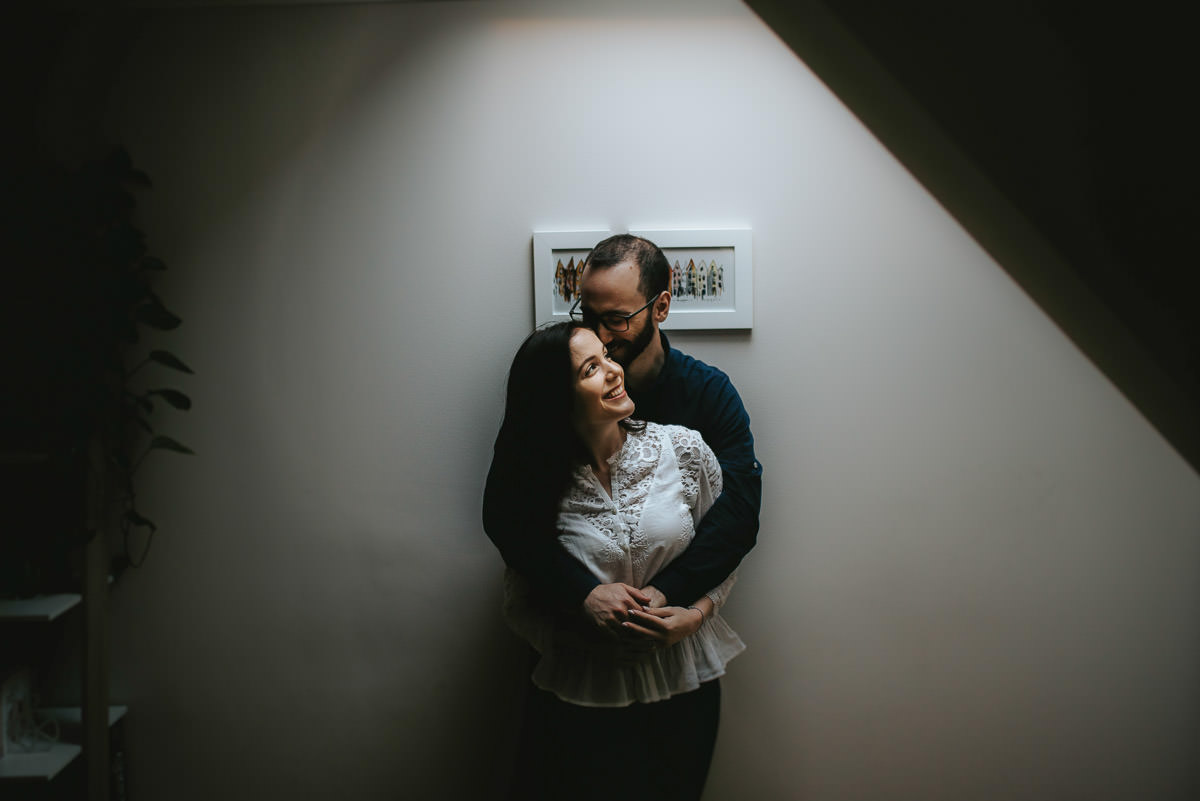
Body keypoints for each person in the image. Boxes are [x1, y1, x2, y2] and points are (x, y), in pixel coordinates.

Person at [494, 320, 745, 800]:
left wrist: (696, 614)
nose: (614, 371)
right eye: (592, 367)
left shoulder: (684, 449)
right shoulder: (539, 484)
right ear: (557, 397)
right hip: (581, 694)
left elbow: (724, 550)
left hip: (683, 687)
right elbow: (521, 598)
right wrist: (582, 627)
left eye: (608, 355)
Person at [483, 233, 762, 627]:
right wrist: (581, 592)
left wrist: (671, 596)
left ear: (660, 306)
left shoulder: (708, 394)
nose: (599, 333)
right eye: (588, 316)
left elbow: (738, 515)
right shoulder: (555, 390)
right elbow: (505, 513)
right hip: (570, 631)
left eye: (615, 319)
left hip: (675, 628)